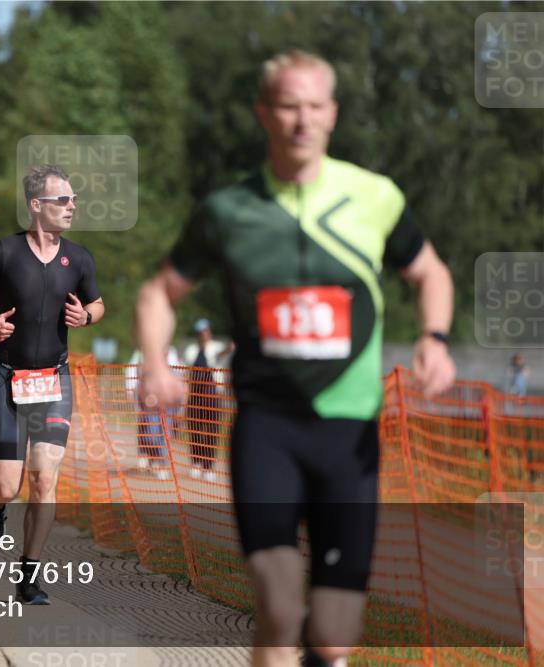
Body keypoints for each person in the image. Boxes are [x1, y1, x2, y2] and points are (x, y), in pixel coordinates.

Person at [135, 50, 456, 667]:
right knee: (280, 607)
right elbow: (158, 292)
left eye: (314, 106)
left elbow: (430, 273)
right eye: (288, 106)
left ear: (332, 113)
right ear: (264, 114)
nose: (302, 120)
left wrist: (434, 338)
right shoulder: (229, 212)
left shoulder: (375, 197)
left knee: (334, 635)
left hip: (349, 435)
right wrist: (154, 362)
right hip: (268, 428)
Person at [0, 164, 104, 605]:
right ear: (36, 206)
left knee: (44, 480)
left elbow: (97, 303)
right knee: (7, 484)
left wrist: (88, 317)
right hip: (7, 375)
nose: (72, 206)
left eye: (74, 199)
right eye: (63, 200)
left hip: (54, 378)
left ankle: (29, 574)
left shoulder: (78, 259)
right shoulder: (4, 252)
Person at [183, 319, 234, 481]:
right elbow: (189, 369)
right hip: (195, 396)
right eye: (200, 331)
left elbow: (224, 352)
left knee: (212, 431)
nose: (203, 334)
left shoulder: (217, 347)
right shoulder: (191, 350)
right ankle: (196, 462)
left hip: (213, 396)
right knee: (196, 430)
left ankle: (209, 465)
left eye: (205, 331)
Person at [126, 345, 182, 480]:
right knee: (150, 435)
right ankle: (152, 459)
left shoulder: (173, 370)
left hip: (168, 409)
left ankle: (161, 464)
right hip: (150, 409)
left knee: (164, 435)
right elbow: (140, 387)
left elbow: (179, 388)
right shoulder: (148, 369)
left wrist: (179, 408)